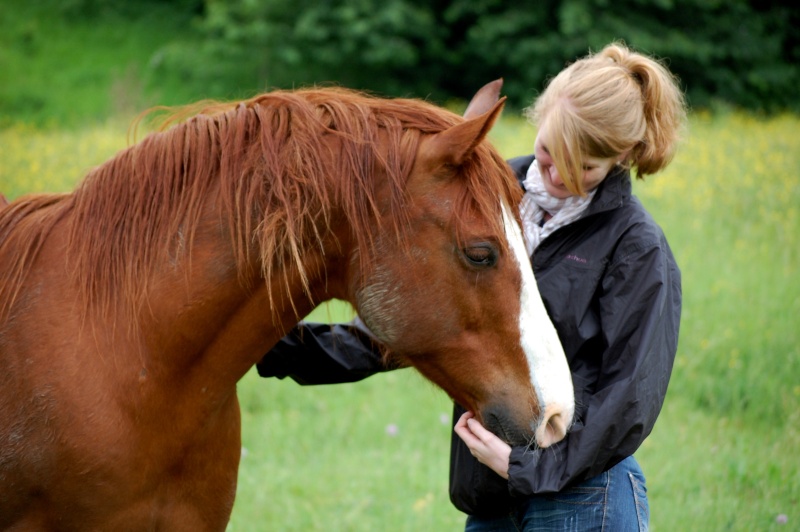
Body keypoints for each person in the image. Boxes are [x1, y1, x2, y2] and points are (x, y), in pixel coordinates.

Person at [256, 41, 687, 531]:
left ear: (623, 157)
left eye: (582, 167)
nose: (557, 175)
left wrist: (528, 468)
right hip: (489, 497)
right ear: (537, 119)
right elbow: (424, 316)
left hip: (583, 501)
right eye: (548, 151)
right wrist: (269, 344)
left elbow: (629, 399)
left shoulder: (637, 248)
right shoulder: (491, 196)